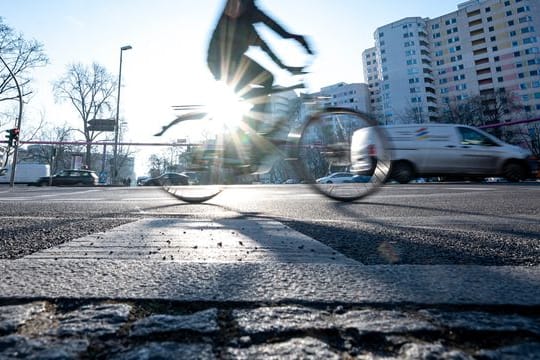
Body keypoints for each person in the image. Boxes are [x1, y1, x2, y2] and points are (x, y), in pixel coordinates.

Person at [207, 0, 313, 125]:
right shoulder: (243, 9)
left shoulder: (248, 24)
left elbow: (268, 44)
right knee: (265, 82)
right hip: (222, 63)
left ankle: (252, 128)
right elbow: (276, 29)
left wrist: (285, 67)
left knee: (265, 83)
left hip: (229, 61)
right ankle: (250, 132)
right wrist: (296, 40)